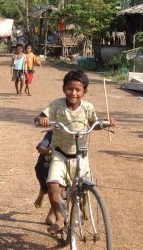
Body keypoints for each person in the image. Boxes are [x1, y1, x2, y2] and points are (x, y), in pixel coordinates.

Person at [34, 69, 115, 239]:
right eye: (70, 88)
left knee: (83, 187)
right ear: (64, 88)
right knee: (52, 184)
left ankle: (83, 205)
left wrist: (106, 124)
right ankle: (59, 218)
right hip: (60, 154)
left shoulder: (87, 107)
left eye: (78, 90)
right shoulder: (57, 105)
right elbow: (40, 117)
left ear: (84, 92)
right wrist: (42, 120)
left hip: (80, 154)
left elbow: (95, 123)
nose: (73, 93)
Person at [34, 130, 56, 226]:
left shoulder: (76, 132)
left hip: (64, 166)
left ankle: (51, 215)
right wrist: (47, 150)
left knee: (62, 189)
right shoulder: (52, 133)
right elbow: (41, 147)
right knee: (48, 188)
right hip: (44, 167)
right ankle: (42, 193)